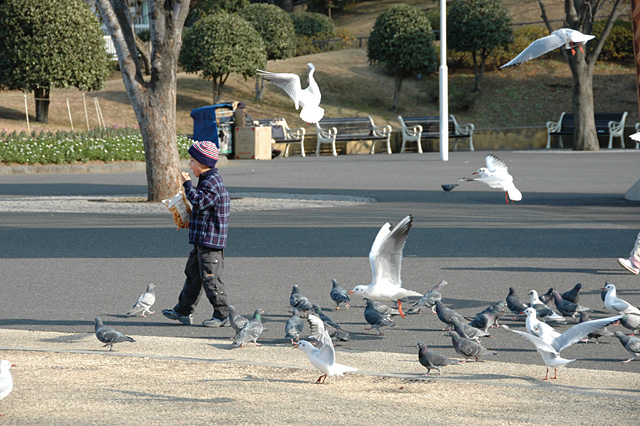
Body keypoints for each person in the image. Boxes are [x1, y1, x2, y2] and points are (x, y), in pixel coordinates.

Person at [162, 140, 231, 326]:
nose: (189, 165)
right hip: (202, 239)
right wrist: (187, 217)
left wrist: (187, 185)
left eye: (192, 161)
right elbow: (205, 209)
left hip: (210, 242)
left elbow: (200, 201)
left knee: (211, 279)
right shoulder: (207, 180)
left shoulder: (212, 182)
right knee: (193, 275)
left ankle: (222, 314)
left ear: (202, 163)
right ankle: (183, 311)